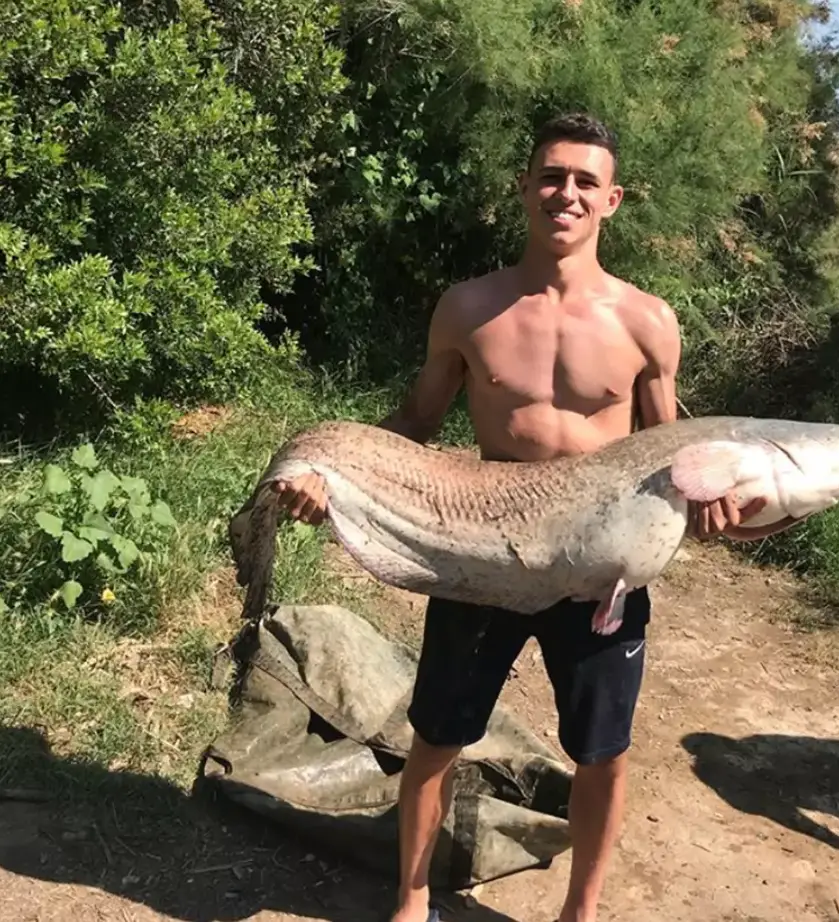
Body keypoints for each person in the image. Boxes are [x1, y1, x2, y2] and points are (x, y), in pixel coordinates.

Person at [272, 112, 794, 922]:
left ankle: (579, 913)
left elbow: (671, 449)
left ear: (612, 200)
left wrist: (730, 508)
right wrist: (329, 474)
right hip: (487, 550)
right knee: (438, 737)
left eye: (586, 181)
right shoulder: (469, 307)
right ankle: (411, 902)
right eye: (552, 176)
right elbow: (412, 423)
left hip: (602, 569)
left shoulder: (647, 321)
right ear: (524, 187)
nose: (567, 193)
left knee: (602, 753)